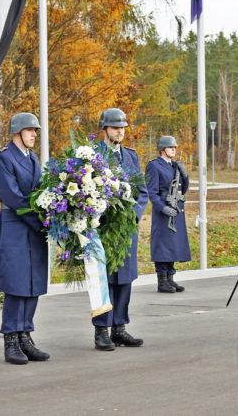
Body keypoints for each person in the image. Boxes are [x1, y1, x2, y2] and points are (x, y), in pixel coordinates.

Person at [0, 112, 50, 365]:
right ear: (17, 132)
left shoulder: (32, 158)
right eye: (30, 130)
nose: (34, 134)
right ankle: (11, 338)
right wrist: (41, 222)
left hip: (32, 226)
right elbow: (12, 197)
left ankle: (25, 335)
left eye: (35, 130)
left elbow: (39, 192)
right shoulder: (3, 158)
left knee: (32, 282)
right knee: (16, 284)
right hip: (14, 225)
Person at [92, 108, 148, 350]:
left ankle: (119, 328)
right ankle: (101, 331)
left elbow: (142, 191)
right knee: (103, 280)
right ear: (105, 129)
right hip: (103, 228)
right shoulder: (93, 155)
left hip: (126, 230)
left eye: (123, 127)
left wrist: (131, 217)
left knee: (124, 278)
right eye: (115, 127)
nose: (120, 131)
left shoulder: (131, 156)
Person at [146, 135, 191, 293]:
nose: (174, 149)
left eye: (175, 147)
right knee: (162, 246)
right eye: (170, 147)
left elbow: (182, 190)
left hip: (176, 210)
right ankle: (162, 280)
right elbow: (152, 193)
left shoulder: (175, 166)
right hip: (163, 211)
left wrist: (185, 176)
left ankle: (170, 279)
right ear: (162, 149)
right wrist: (162, 208)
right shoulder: (154, 165)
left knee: (173, 245)